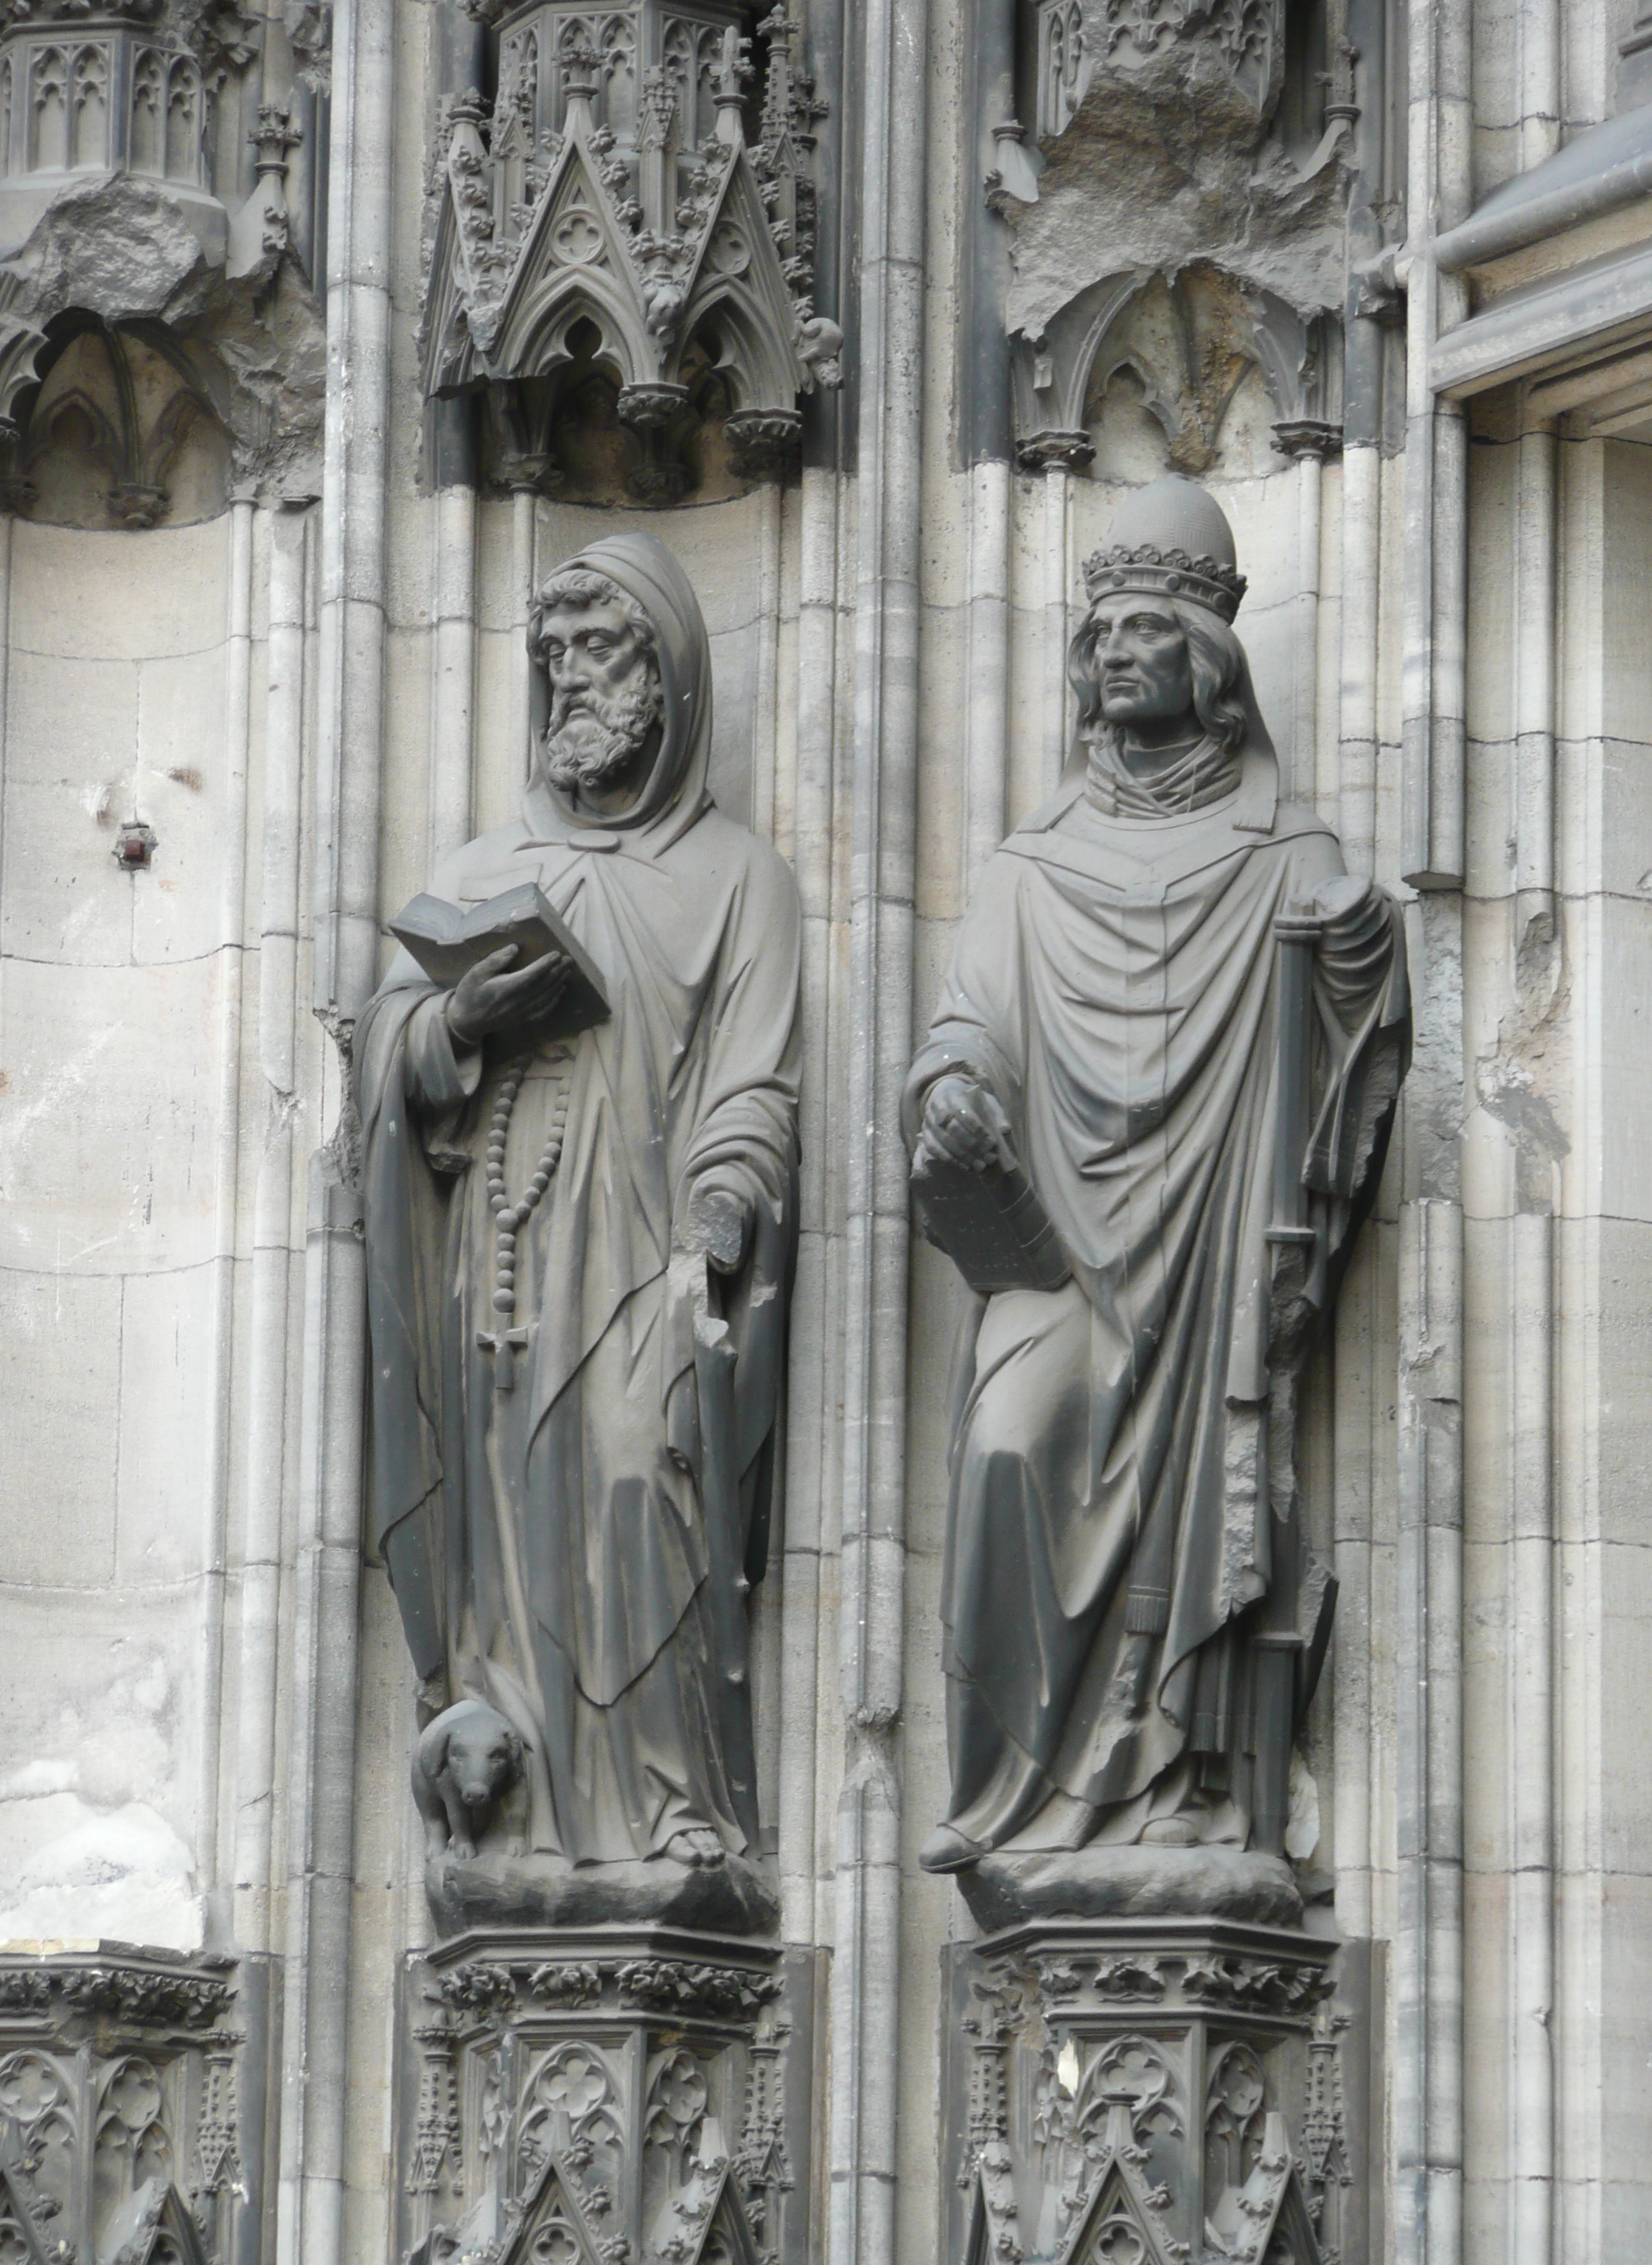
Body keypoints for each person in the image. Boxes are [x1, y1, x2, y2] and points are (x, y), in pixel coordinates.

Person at [905, 476, 1409, 1873]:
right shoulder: (1029, 867)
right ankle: (1021, 1789)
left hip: (1208, 1248)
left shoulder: (1283, 851)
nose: (1114, 650)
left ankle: (1177, 1783)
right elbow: (968, 1028)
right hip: (1060, 1247)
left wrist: (1363, 943)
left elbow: (1357, 1031)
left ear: (1210, 658)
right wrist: (949, 1093)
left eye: (1142, 627)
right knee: (1011, 1444)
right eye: (1099, 631)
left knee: (1212, 1504)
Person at [356, 533, 801, 1875]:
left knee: (632, 1473)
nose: (570, 687)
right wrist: (457, 1021)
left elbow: (756, 1085)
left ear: (667, 677)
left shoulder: (737, 879)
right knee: (510, 1518)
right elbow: (385, 1056)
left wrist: (721, 1217)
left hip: (649, 1260)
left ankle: (675, 1797)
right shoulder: (487, 867)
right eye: (552, 660)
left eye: (600, 654)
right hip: (499, 1259)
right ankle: (521, 1805)